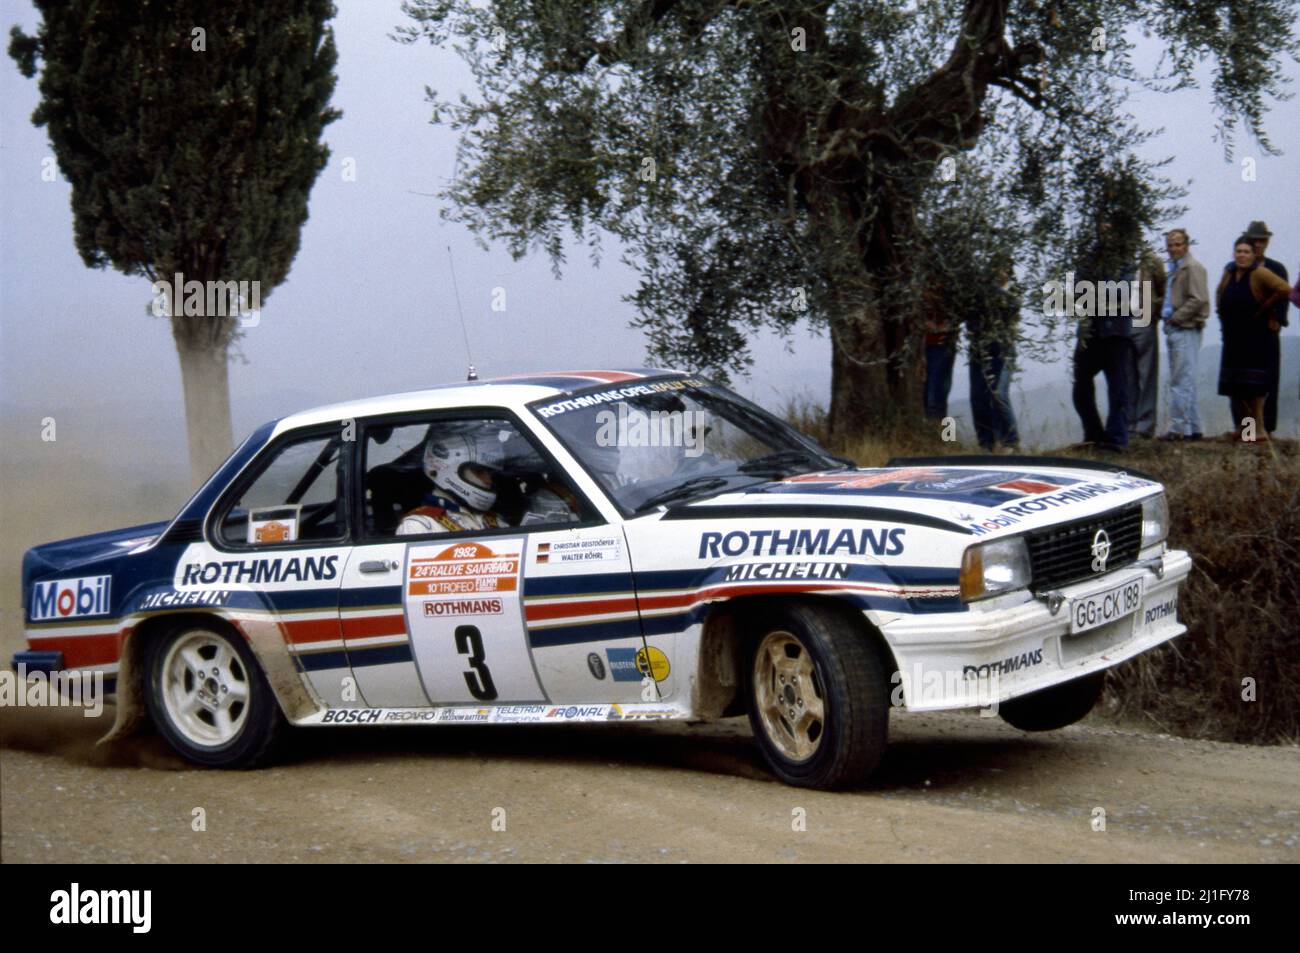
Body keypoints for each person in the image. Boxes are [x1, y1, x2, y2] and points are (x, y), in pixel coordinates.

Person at [1215, 235, 1292, 443]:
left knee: (1254, 389)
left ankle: (1256, 431)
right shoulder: (1229, 272)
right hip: (1232, 338)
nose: (1242, 255)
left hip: (1254, 338)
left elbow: (1285, 289)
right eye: (1239, 251)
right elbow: (1219, 294)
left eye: (1246, 252)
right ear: (1234, 253)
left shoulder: (1260, 273)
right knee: (1236, 388)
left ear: (1253, 254)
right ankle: (1243, 429)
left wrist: (1266, 306)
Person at [1072, 220, 1138, 452]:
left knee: (1119, 388)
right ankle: (1094, 434)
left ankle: (1116, 440)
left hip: (1117, 332)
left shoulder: (1126, 260)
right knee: (1080, 386)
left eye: (1109, 229)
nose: (1105, 234)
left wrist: (1095, 291)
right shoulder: (1088, 258)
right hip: (1090, 332)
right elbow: (1079, 292)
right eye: (1102, 229)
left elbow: (1123, 292)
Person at [397, 424, 508, 534]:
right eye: (479, 471)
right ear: (448, 468)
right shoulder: (418, 527)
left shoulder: (495, 521)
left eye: (489, 473)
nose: (488, 480)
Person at [1158, 228, 1210, 441]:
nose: (1174, 248)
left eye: (1178, 244)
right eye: (1171, 244)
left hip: (1185, 328)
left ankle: (1179, 430)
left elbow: (1198, 299)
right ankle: (1195, 428)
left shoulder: (1193, 268)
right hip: (1175, 328)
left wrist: (1177, 317)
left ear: (1186, 246)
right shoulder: (1174, 269)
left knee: (1181, 380)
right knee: (1184, 379)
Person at [1242, 221, 1290, 434]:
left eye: (1263, 240)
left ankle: (1267, 430)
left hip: (1268, 331)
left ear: (1267, 242)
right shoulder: (1240, 267)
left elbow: (1285, 297)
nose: (1259, 244)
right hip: (1245, 332)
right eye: (1255, 240)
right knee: (1245, 383)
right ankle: (1247, 430)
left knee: (1269, 381)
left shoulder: (1277, 268)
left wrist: (1279, 320)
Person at [968, 264, 1020, 451]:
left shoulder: (1011, 294)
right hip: (979, 349)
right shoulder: (978, 295)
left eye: (1001, 269)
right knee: (978, 397)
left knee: (999, 394)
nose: (997, 272)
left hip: (1002, 350)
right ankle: (986, 443)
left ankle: (1011, 442)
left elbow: (1011, 307)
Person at [921, 287, 958, 421]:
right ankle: (936, 436)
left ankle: (944, 437)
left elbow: (954, 320)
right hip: (924, 347)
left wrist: (937, 327)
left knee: (936, 397)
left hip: (940, 347)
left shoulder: (948, 291)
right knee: (926, 396)